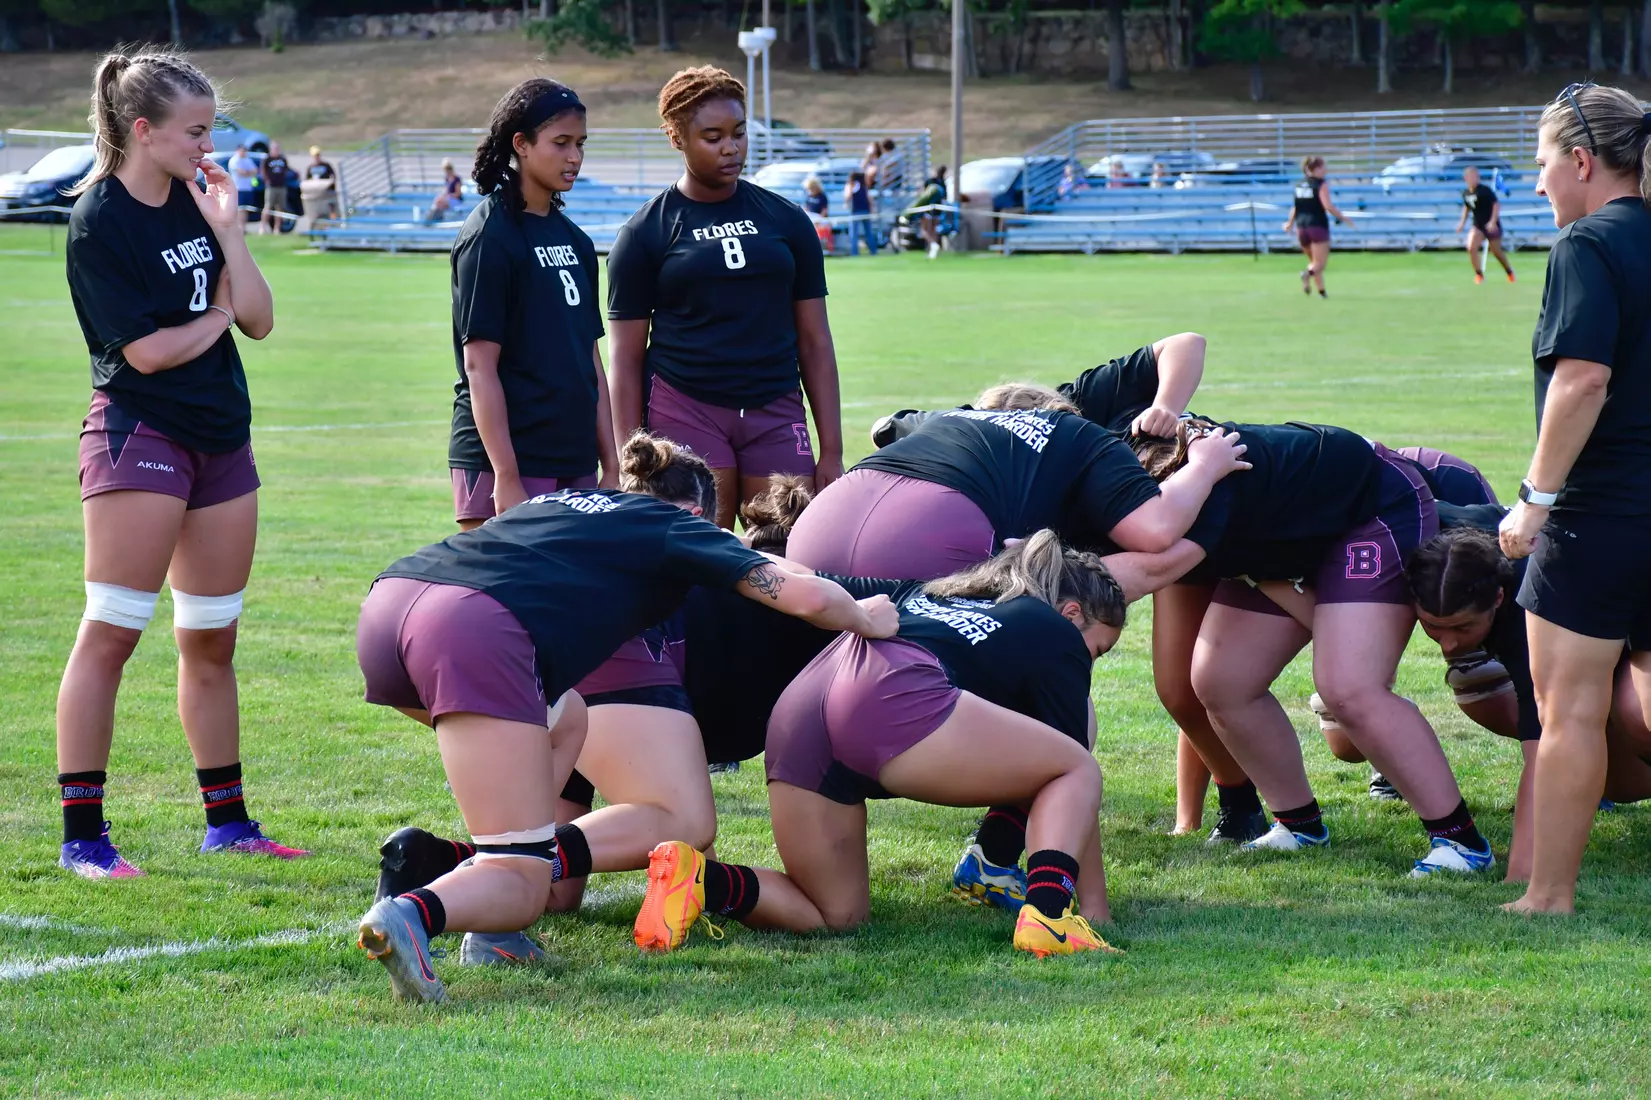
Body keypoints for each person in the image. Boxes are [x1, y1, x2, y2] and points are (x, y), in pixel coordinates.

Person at [353, 433, 897, 1003]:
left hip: (390, 607)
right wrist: (863, 614)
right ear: (697, 514)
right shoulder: (675, 526)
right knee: (635, 837)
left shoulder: (572, 501)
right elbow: (802, 597)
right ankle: (413, 911)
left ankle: (495, 929)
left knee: (567, 722)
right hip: (468, 630)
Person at [632, 533, 1126, 959]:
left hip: (802, 707)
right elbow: (1071, 771)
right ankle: (1051, 917)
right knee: (1077, 766)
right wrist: (1096, 910)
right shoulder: (1056, 632)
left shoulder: (934, 591)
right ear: (1072, 612)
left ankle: (700, 879)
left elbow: (818, 579)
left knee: (835, 914)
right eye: (1097, 649)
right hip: (887, 697)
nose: (1091, 662)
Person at [57, 47, 298, 879]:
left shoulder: (203, 203)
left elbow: (259, 322)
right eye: (194, 131)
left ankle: (227, 823)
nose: (208, 146)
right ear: (143, 129)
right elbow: (150, 354)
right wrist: (220, 314)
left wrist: (230, 235)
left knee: (212, 641)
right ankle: (83, 837)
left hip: (222, 439)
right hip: (141, 435)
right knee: (113, 633)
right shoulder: (98, 219)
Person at [1134, 420, 1494, 876]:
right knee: (1221, 679)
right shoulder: (1142, 497)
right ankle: (1297, 822)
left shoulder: (1186, 500)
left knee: (1349, 686)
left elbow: (1138, 574)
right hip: (1285, 541)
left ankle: (1460, 842)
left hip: (1372, 507)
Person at [1497, 82, 1651, 916]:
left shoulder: (1587, 244)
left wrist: (1534, 499)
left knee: (1570, 712)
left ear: (1582, 161)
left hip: (1598, 514)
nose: (1537, 182)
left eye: (1542, 164)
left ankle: (1546, 896)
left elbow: (1582, 379)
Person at [607, 66, 843, 530]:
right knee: (699, 556)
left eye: (738, 133)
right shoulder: (643, 233)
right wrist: (626, 455)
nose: (731, 147)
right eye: (712, 137)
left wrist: (831, 449)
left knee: (786, 553)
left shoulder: (786, 220)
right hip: (685, 408)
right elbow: (625, 360)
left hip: (775, 408)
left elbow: (815, 340)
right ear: (677, 139)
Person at [787, 385, 1249, 583]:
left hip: (818, 525)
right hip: (927, 532)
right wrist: (1206, 465)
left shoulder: (956, 417)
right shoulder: (1079, 435)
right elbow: (1155, 529)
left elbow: (882, 425)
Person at [1409, 521, 1651, 885]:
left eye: (1461, 628)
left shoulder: (1531, 614)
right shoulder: (1443, 534)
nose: (1446, 645)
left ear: (1498, 599)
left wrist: (1522, 874)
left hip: (1630, 610)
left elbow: (1543, 750)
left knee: (1635, 723)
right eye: (1432, 627)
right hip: (1602, 615)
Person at [447, 78, 618, 529]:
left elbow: (591, 359)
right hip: (508, 462)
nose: (575, 157)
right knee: (506, 598)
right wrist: (505, 474)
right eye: (560, 143)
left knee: (577, 596)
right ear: (520, 144)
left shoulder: (576, 242)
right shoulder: (491, 237)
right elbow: (479, 366)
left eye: (580, 144)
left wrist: (612, 461)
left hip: (574, 456)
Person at [1282, 156, 1349, 298]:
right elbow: (1327, 206)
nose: (1326, 170)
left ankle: (1321, 291)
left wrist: (1290, 223)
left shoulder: (1299, 185)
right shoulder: (1321, 184)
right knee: (1320, 263)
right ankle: (1306, 275)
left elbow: (1295, 207)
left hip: (1302, 227)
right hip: (1317, 226)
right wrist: (1342, 217)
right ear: (1316, 169)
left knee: (1313, 262)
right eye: (1323, 167)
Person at [1457, 165, 1515, 285]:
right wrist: (1462, 223)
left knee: (1496, 252)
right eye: (1471, 176)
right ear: (1466, 178)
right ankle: (1479, 275)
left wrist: (1493, 222)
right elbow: (1467, 208)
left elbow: (1496, 205)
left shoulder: (1484, 190)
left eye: (1475, 176)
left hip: (1491, 224)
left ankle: (1509, 272)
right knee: (1471, 247)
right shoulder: (1466, 193)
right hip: (1478, 225)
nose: (1474, 179)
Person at [843, 170, 878, 256]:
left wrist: (846, 203)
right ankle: (873, 251)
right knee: (869, 232)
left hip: (856, 211)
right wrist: (872, 208)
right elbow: (869, 198)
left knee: (854, 233)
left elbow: (848, 196)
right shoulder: (863, 186)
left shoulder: (851, 185)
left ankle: (854, 253)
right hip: (865, 210)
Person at [259, 139, 289, 235]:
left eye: (277, 148)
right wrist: (266, 180)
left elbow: (286, 170)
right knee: (268, 206)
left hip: (281, 186)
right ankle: (262, 227)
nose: (276, 149)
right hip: (271, 186)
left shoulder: (282, 159)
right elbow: (262, 171)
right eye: (274, 148)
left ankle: (277, 228)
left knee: (279, 208)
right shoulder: (267, 159)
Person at [801, 175, 833, 255]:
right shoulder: (808, 196)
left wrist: (819, 219)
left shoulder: (822, 196)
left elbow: (824, 210)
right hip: (811, 218)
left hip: (819, 218)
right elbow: (806, 208)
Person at [226, 142, 258, 221]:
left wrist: (247, 173)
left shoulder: (248, 160)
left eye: (245, 150)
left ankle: (243, 227)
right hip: (238, 188)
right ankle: (239, 227)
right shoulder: (234, 160)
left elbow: (255, 170)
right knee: (240, 209)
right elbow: (241, 172)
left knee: (246, 209)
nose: (244, 152)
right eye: (242, 150)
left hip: (248, 188)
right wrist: (248, 172)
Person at [428, 157, 464, 223]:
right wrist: (442, 196)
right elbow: (446, 191)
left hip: (456, 200)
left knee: (439, 203)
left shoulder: (457, 179)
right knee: (438, 201)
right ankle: (434, 220)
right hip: (449, 199)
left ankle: (432, 220)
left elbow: (458, 194)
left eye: (448, 169)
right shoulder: (447, 178)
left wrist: (448, 196)